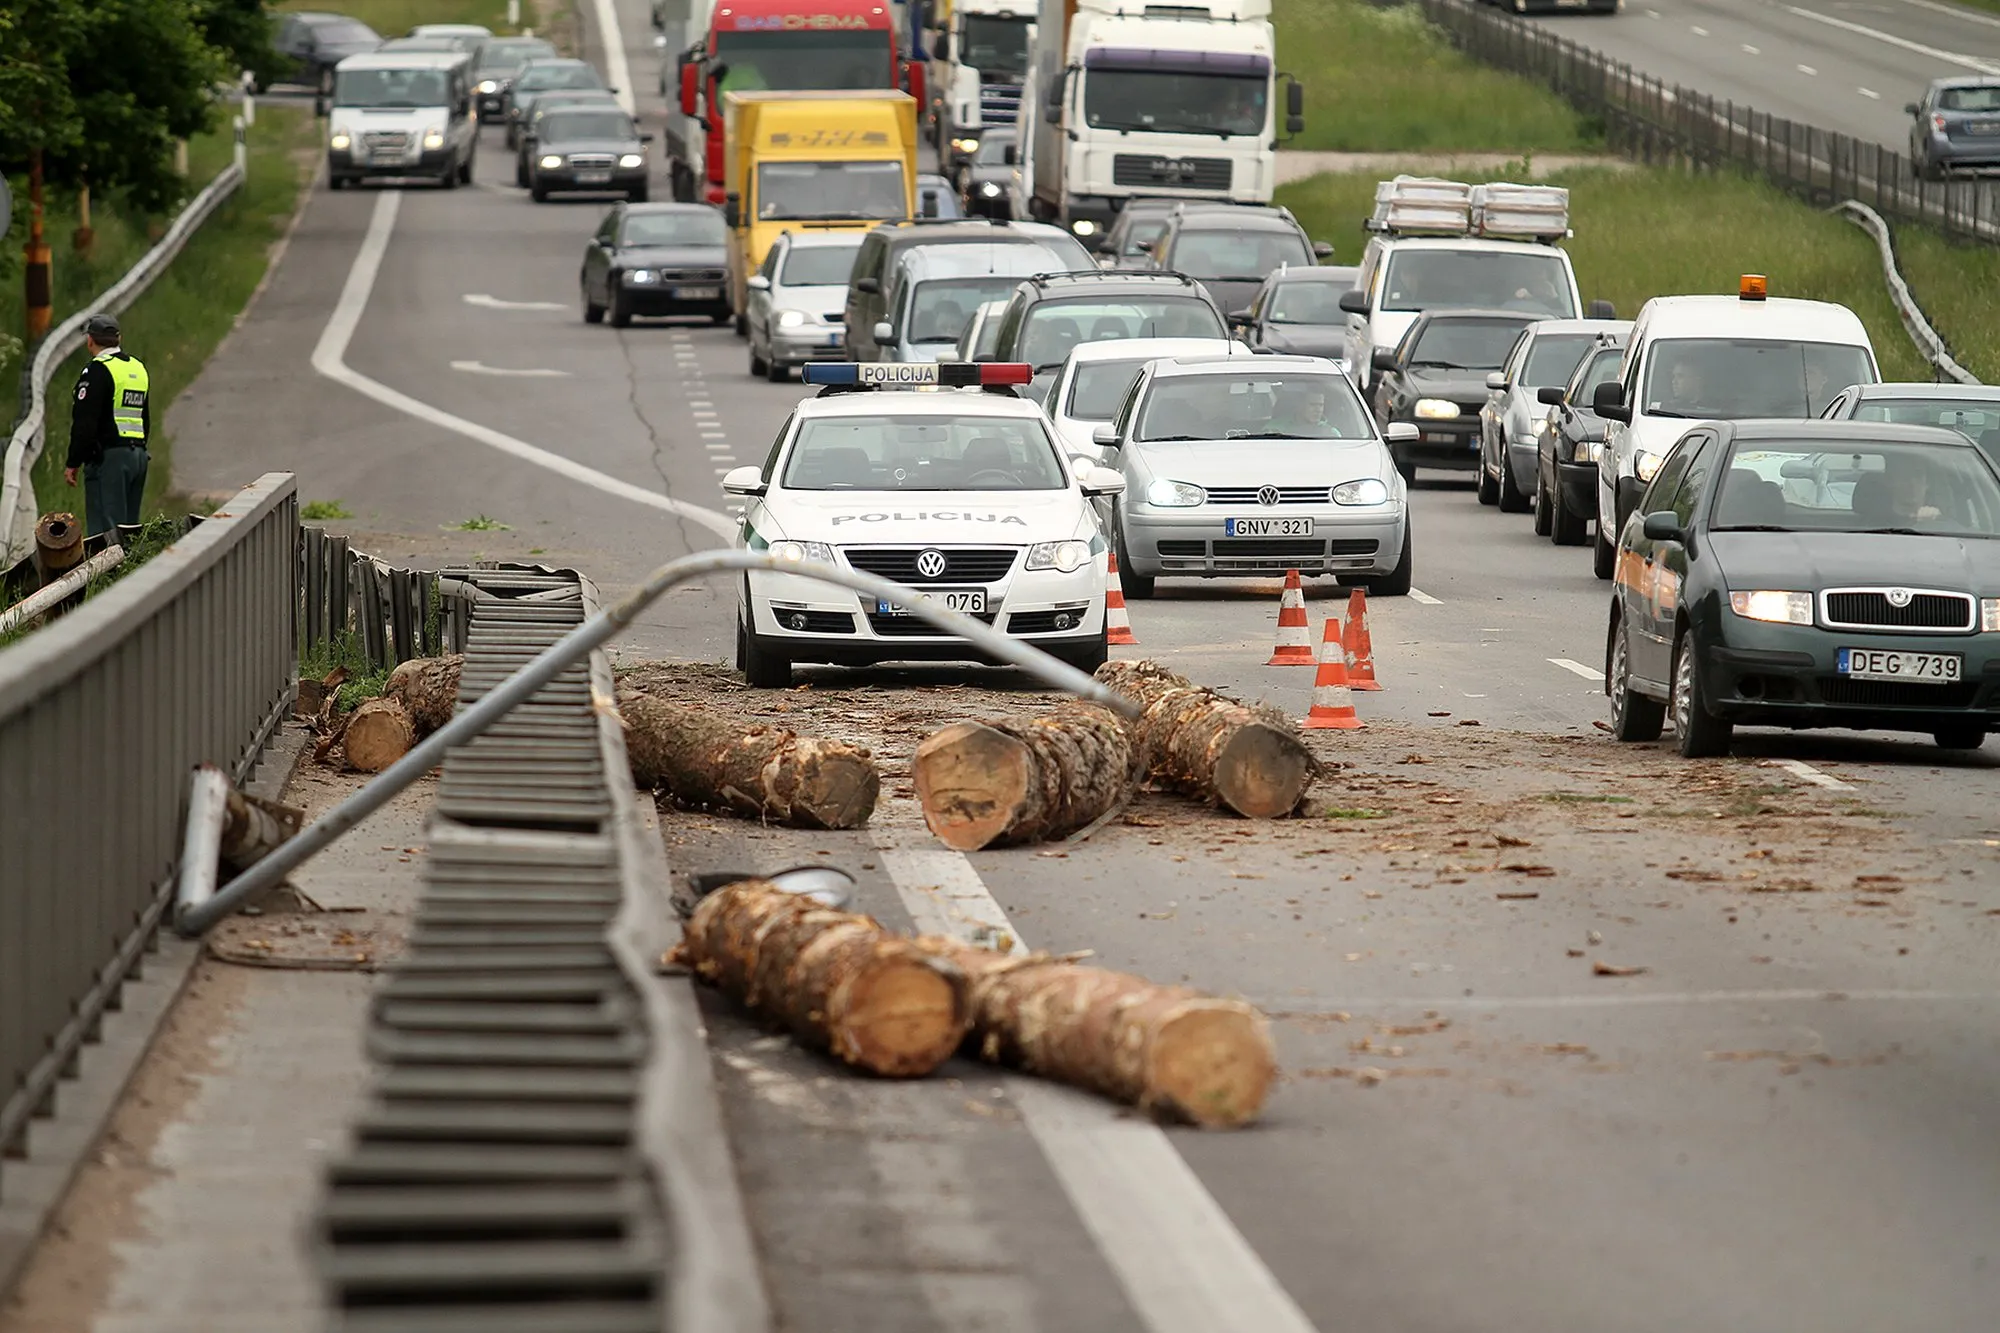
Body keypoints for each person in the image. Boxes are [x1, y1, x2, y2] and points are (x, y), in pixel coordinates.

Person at [64, 313, 150, 537]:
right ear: (118, 338)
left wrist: (74, 461)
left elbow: (85, 422)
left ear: (90, 340)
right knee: (130, 532)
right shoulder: (138, 368)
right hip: (138, 457)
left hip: (109, 461)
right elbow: (145, 418)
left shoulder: (97, 370)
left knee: (106, 534)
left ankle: (111, 563)